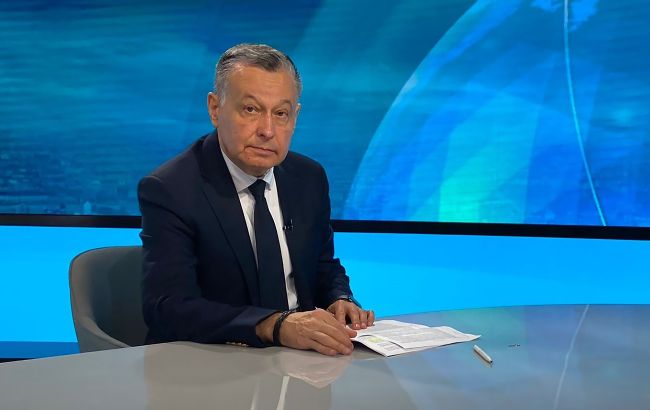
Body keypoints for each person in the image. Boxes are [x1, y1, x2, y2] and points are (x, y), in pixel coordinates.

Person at [138, 43, 374, 356]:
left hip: (305, 364)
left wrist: (339, 298)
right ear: (215, 109)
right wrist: (275, 326)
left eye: (281, 114)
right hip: (213, 363)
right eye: (251, 109)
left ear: (295, 117)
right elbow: (169, 307)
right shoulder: (171, 189)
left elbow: (322, 266)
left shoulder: (308, 178)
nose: (267, 130)